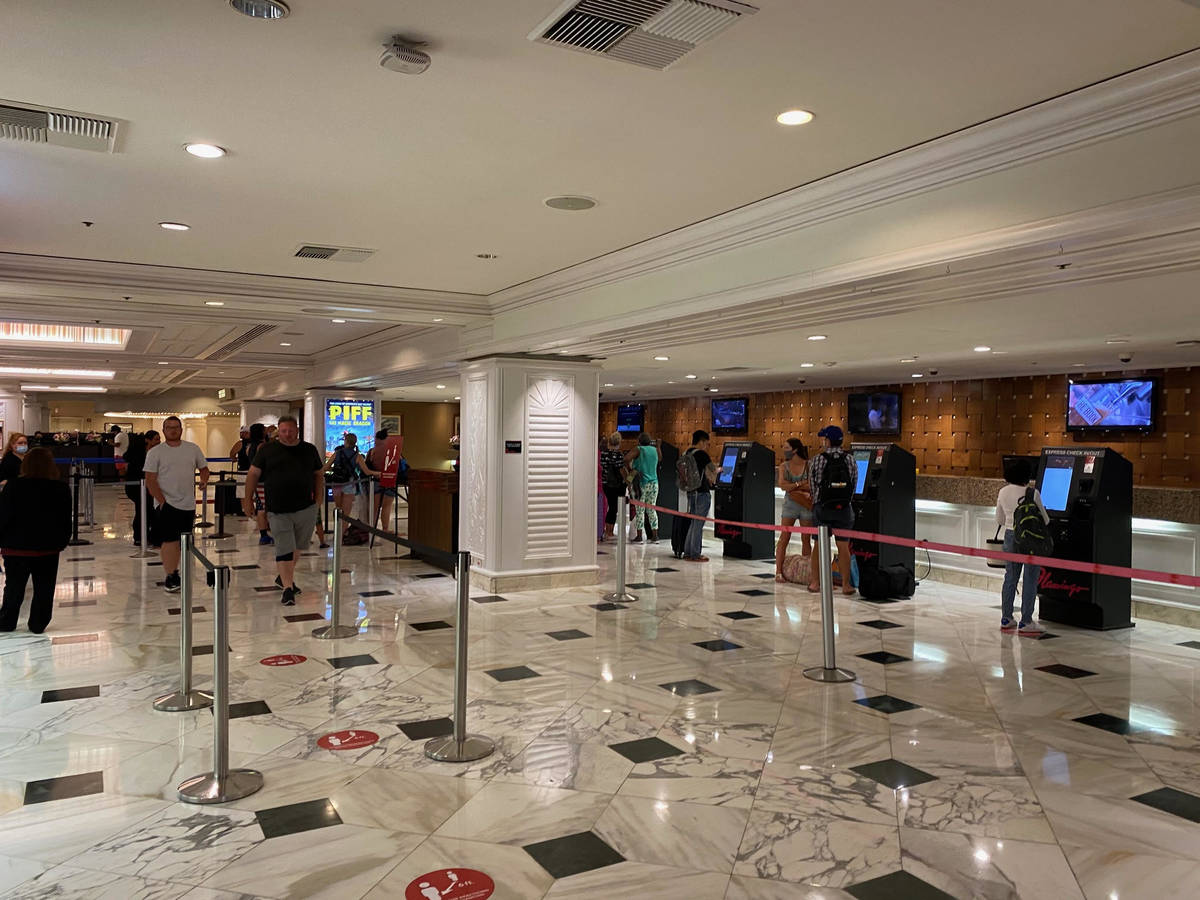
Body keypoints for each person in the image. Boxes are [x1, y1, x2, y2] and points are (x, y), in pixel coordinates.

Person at [242, 416, 325, 606]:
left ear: (297, 430)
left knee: (299, 546)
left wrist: (318, 498)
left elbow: (318, 473)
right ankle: (288, 589)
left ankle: (283, 577)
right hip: (278, 508)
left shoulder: (308, 449)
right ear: (278, 431)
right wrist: (247, 500)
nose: (287, 434)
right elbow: (253, 474)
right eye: (283, 431)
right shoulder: (268, 451)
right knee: (284, 547)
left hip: (305, 507)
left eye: (290, 430)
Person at [0, 447, 72, 633]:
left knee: (14, 587)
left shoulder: (13, 486)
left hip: (15, 547)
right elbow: (65, 519)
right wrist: (62, 541)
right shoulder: (60, 488)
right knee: (44, 588)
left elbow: (3, 516)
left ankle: (7, 621)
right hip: (47, 547)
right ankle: (38, 623)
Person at [144, 416, 210, 594]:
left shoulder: (192, 449)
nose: (173, 430)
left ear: (181, 429)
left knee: (182, 541)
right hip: (167, 504)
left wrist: (204, 480)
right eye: (169, 427)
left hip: (187, 504)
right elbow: (150, 479)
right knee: (169, 540)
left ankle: (176, 570)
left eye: (176, 427)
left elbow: (204, 468)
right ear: (164, 430)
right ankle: (171, 574)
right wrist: (163, 502)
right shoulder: (155, 452)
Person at [995, 459, 1050, 635]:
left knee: (1010, 577)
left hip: (1010, 537)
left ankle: (1006, 618)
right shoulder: (1032, 493)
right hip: (1030, 540)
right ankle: (1026, 621)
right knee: (1030, 578)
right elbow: (1045, 519)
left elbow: (1000, 520)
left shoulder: (1003, 492)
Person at [807, 425, 856, 595]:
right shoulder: (850, 459)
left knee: (819, 545)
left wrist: (816, 501)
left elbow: (812, 485)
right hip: (844, 508)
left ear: (828, 440)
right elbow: (854, 483)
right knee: (843, 547)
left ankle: (815, 582)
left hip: (823, 507)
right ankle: (846, 585)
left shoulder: (817, 459)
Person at [775, 438, 813, 581]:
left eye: (786, 447)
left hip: (806, 505)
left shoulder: (808, 465)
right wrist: (801, 483)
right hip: (790, 505)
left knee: (806, 539)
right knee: (784, 537)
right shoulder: (784, 466)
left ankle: (806, 571)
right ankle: (778, 571)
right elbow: (782, 485)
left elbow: (811, 485)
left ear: (795, 450)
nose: (783, 450)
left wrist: (794, 486)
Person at [326, 433, 379, 532]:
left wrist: (334, 469)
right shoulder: (357, 456)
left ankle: (337, 533)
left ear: (345, 441)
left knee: (338, 508)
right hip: (349, 484)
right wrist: (379, 473)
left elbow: (326, 468)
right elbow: (367, 471)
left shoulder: (337, 453)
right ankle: (342, 535)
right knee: (346, 513)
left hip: (336, 483)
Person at [683, 429, 720, 562]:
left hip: (691, 492)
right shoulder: (702, 454)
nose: (707, 446)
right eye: (707, 443)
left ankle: (687, 552)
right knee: (698, 524)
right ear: (702, 441)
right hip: (701, 492)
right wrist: (722, 469)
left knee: (693, 522)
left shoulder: (687, 452)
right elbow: (713, 469)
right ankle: (695, 554)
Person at [124, 430, 160, 544]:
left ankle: (147, 535)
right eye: (156, 439)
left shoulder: (155, 452)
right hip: (137, 486)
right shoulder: (138, 453)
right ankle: (140, 536)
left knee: (148, 509)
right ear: (147, 440)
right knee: (143, 509)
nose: (159, 441)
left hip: (148, 486)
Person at [626, 432, 659, 543]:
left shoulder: (639, 449)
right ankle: (655, 536)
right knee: (652, 509)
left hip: (641, 483)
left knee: (639, 510)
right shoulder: (654, 450)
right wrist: (658, 446)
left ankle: (639, 536)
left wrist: (631, 471)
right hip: (654, 483)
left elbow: (626, 459)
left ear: (639, 441)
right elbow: (660, 459)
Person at [366, 429, 398, 532]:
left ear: (377, 439)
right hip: (389, 479)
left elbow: (368, 465)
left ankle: (372, 530)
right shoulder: (392, 450)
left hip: (375, 480)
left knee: (374, 508)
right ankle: (385, 529)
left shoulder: (372, 451)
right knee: (387, 506)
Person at [600, 432, 627, 541]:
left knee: (609, 507)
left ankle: (606, 530)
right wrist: (628, 480)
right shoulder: (618, 455)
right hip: (616, 485)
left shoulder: (603, 453)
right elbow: (621, 470)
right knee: (614, 508)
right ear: (619, 442)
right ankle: (609, 532)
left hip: (605, 484)